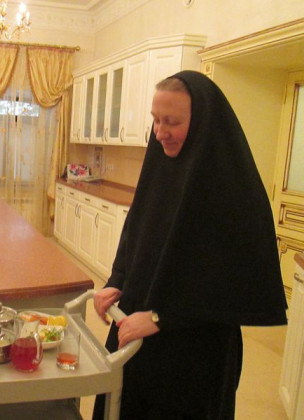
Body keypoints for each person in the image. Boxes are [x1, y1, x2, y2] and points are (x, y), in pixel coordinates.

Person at [92, 70, 287, 420]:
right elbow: (137, 229)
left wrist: (161, 317)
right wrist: (117, 280)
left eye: (172, 122)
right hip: (137, 326)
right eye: (156, 120)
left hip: (194, 350)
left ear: (201, 123)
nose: (160, 132)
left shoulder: (232, 189)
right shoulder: (160, 166)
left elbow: (231, 280)